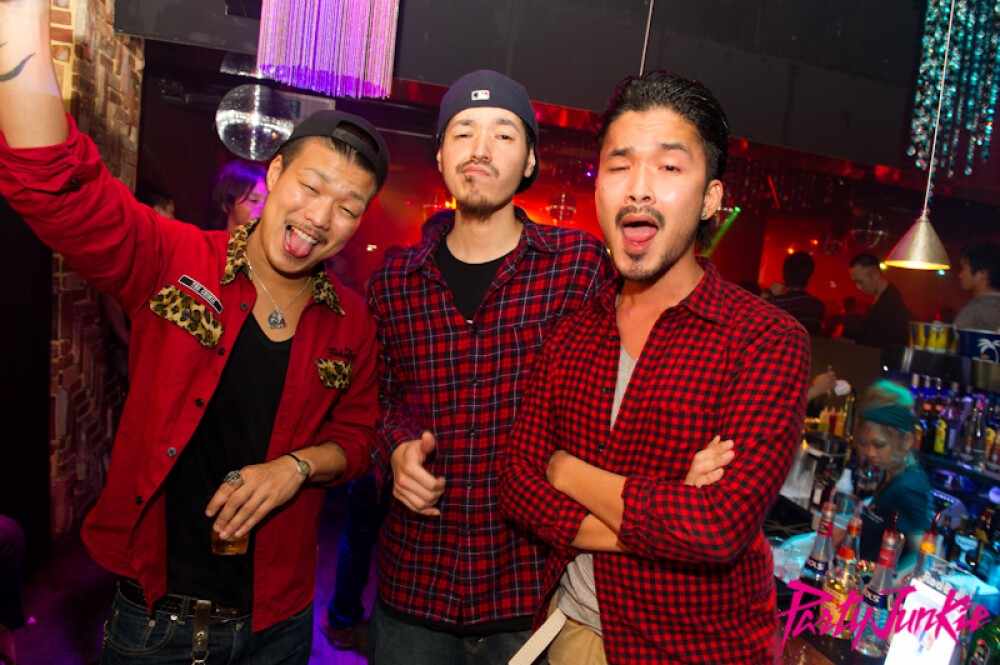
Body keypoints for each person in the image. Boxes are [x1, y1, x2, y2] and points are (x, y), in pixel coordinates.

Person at [0, 4, 387, 660]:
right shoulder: (175, 258)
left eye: (348, 208)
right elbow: (58, 188)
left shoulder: (352, 322)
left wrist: (295, 467)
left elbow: (357, 438)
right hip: (157, 617)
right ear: (274, 174)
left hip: (279, 621)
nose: (322, 217)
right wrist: (19, 18)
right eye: (311, 186)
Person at [499, 70, 811, 663]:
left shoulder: (765, 340)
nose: (638, 189)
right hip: (571, 630)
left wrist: (566, 470)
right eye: (619, 166)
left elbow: (716, 530)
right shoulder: (572, 332)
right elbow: (517, 483)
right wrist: (666, 512)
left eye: (669, 167)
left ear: (711, 198)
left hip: (694, 651)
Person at [365, 70, 615, 665]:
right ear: (440, 156)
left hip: (527, 593)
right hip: (415, 589)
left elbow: (628, 383)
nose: (480, 149)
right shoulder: (395, 282)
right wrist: (395, 451)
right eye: (463, 132)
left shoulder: (577, 268)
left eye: (503, 134)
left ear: (529, 160)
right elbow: (376, 402)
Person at [853, 380, 934, 569]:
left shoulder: (908, 489)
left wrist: (887, 583)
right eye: (865, 443)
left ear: (907, 441)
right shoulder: (894, 475)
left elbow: (924, 558)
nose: (870, 453)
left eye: (879, 445)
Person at [848, 252, 910, 349]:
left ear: (875, 274)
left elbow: (887, 345)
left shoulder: (891, 304)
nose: (858, 287)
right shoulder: (884, 298)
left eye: (860, 281)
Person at [770, 251, 826, 335]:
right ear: (810, 277)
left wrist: (768, 292)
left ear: (784, 274)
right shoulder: (818, 306)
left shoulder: (773, 303)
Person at [954, 241, 1000, 331]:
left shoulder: (975, 311)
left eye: (964, 269)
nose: (960, 275)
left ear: (983, 274)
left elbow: (957, 337)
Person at [211, 159, 268, 232]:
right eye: (254, 200)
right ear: (226, 205)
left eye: (267, 202)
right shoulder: (206, 239)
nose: (264, 209)